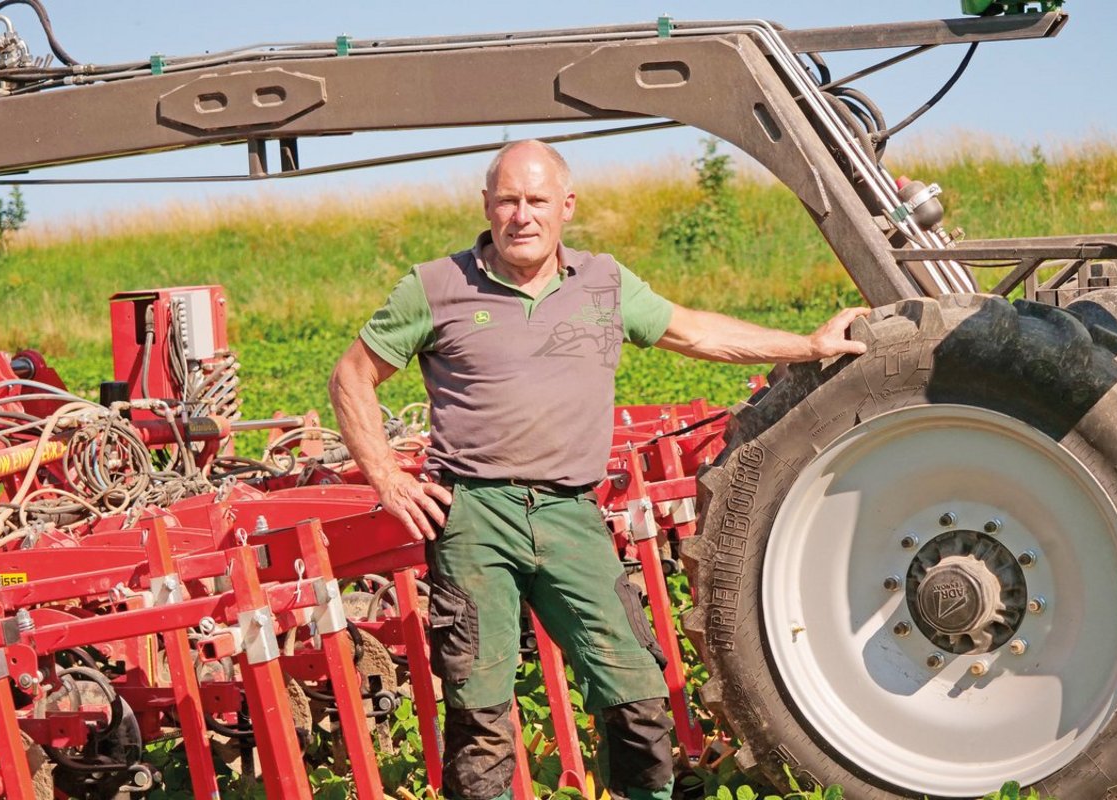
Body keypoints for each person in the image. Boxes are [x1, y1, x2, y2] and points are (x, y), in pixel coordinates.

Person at [328, 139, 869, 800]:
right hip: (475, 517)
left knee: (635, 688)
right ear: (486, 206)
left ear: (566, 207)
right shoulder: (435, 286)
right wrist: (388, 478)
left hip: (569, 515)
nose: (521, 216)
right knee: (481, 709)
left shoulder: (604, 282)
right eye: (507, 200)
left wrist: (809, 346)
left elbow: (695, 332)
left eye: (536, 201)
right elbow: (353, 374)